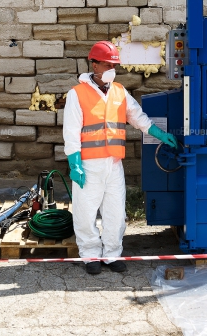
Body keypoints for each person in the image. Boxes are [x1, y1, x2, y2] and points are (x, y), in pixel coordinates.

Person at [63, 40, 178, 275]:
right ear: (94, 65)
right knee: (85, 212)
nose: (111, 70)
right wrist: (74, 164)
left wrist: (159, 134)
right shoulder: (77, 94)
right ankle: (91, 255)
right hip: (88, 164)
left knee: (115, 213)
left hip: (114, 164)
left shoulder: (119, 91)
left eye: (114, 65)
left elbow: (138, 117)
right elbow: (71, 131)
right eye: (107, 65)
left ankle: (112, 254)